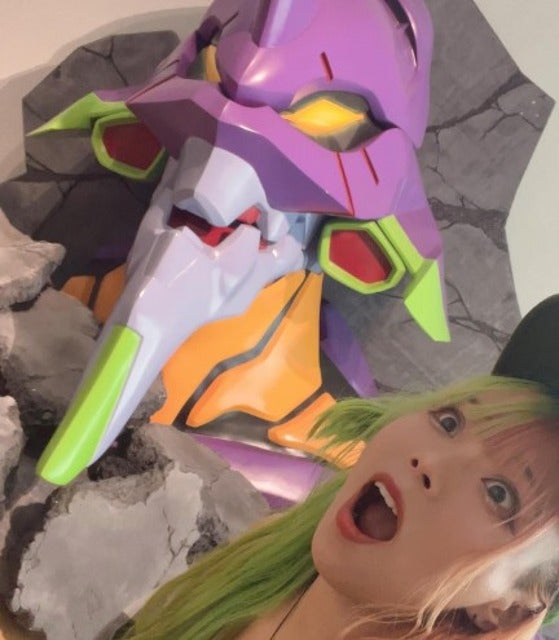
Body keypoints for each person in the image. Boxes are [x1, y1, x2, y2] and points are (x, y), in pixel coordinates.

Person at [119, 296, 559, 640]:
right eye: (450, 422)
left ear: (509, 608)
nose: (429, 461)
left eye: (499, 493)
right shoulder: (265, 561)